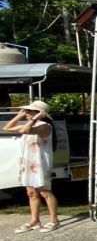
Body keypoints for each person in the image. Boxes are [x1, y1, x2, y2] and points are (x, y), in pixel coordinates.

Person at [3, 100, 60, 233]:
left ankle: (54, 220)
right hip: (28, 163)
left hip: (40, 163)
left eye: (30, 111)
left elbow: (25, 130)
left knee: (45, 192)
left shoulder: (45, 126)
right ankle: (35, 220)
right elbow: (7, 128)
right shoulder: (32, 123)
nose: (27, 113)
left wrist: (33, 119)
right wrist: (19, 115)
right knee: (31, 193)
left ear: (39, 114)